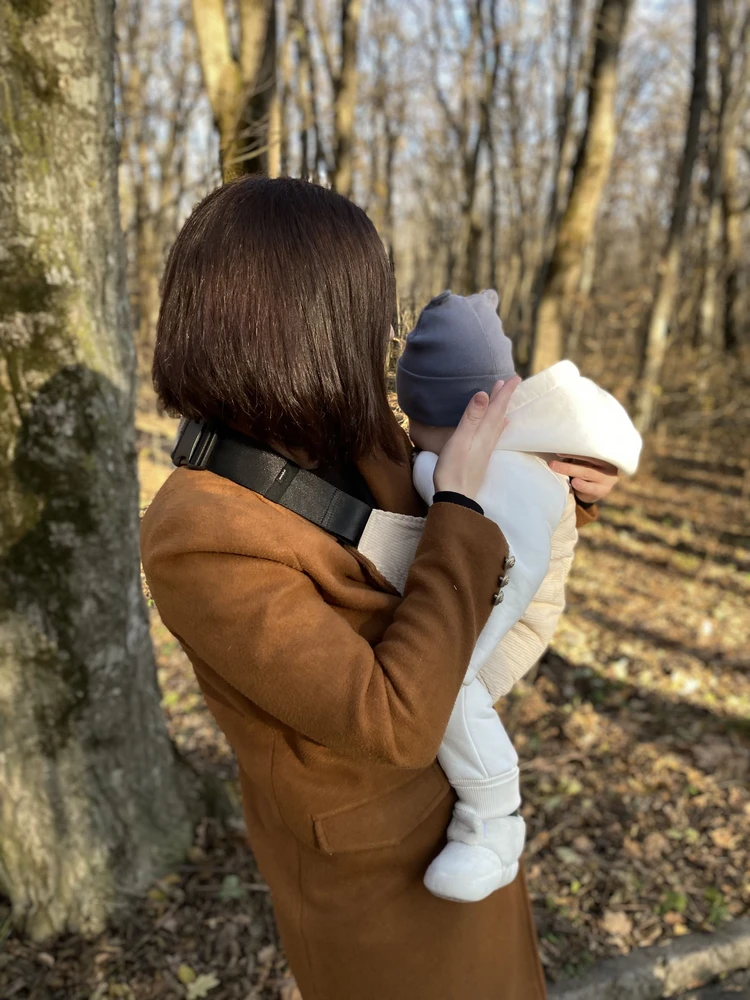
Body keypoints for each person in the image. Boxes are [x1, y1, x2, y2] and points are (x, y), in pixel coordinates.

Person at [140, 177, 616, 1000]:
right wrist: (467, 506)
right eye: (369, 313)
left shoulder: (356, 436)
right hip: (375, 878)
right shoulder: (196, 532)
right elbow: (390, 720)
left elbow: (460, 509)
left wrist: (549, 484)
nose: (382, 336)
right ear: (308, 325)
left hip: (460, 819)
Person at [357, 290, 640, 904]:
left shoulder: (471, 463)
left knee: (451, 693)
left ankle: (495, 823)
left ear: (463, 416)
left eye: (421, 428)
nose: (417, 442)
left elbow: (469, 504)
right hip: (504, 597)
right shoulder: (518, 445)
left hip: (507, 608)